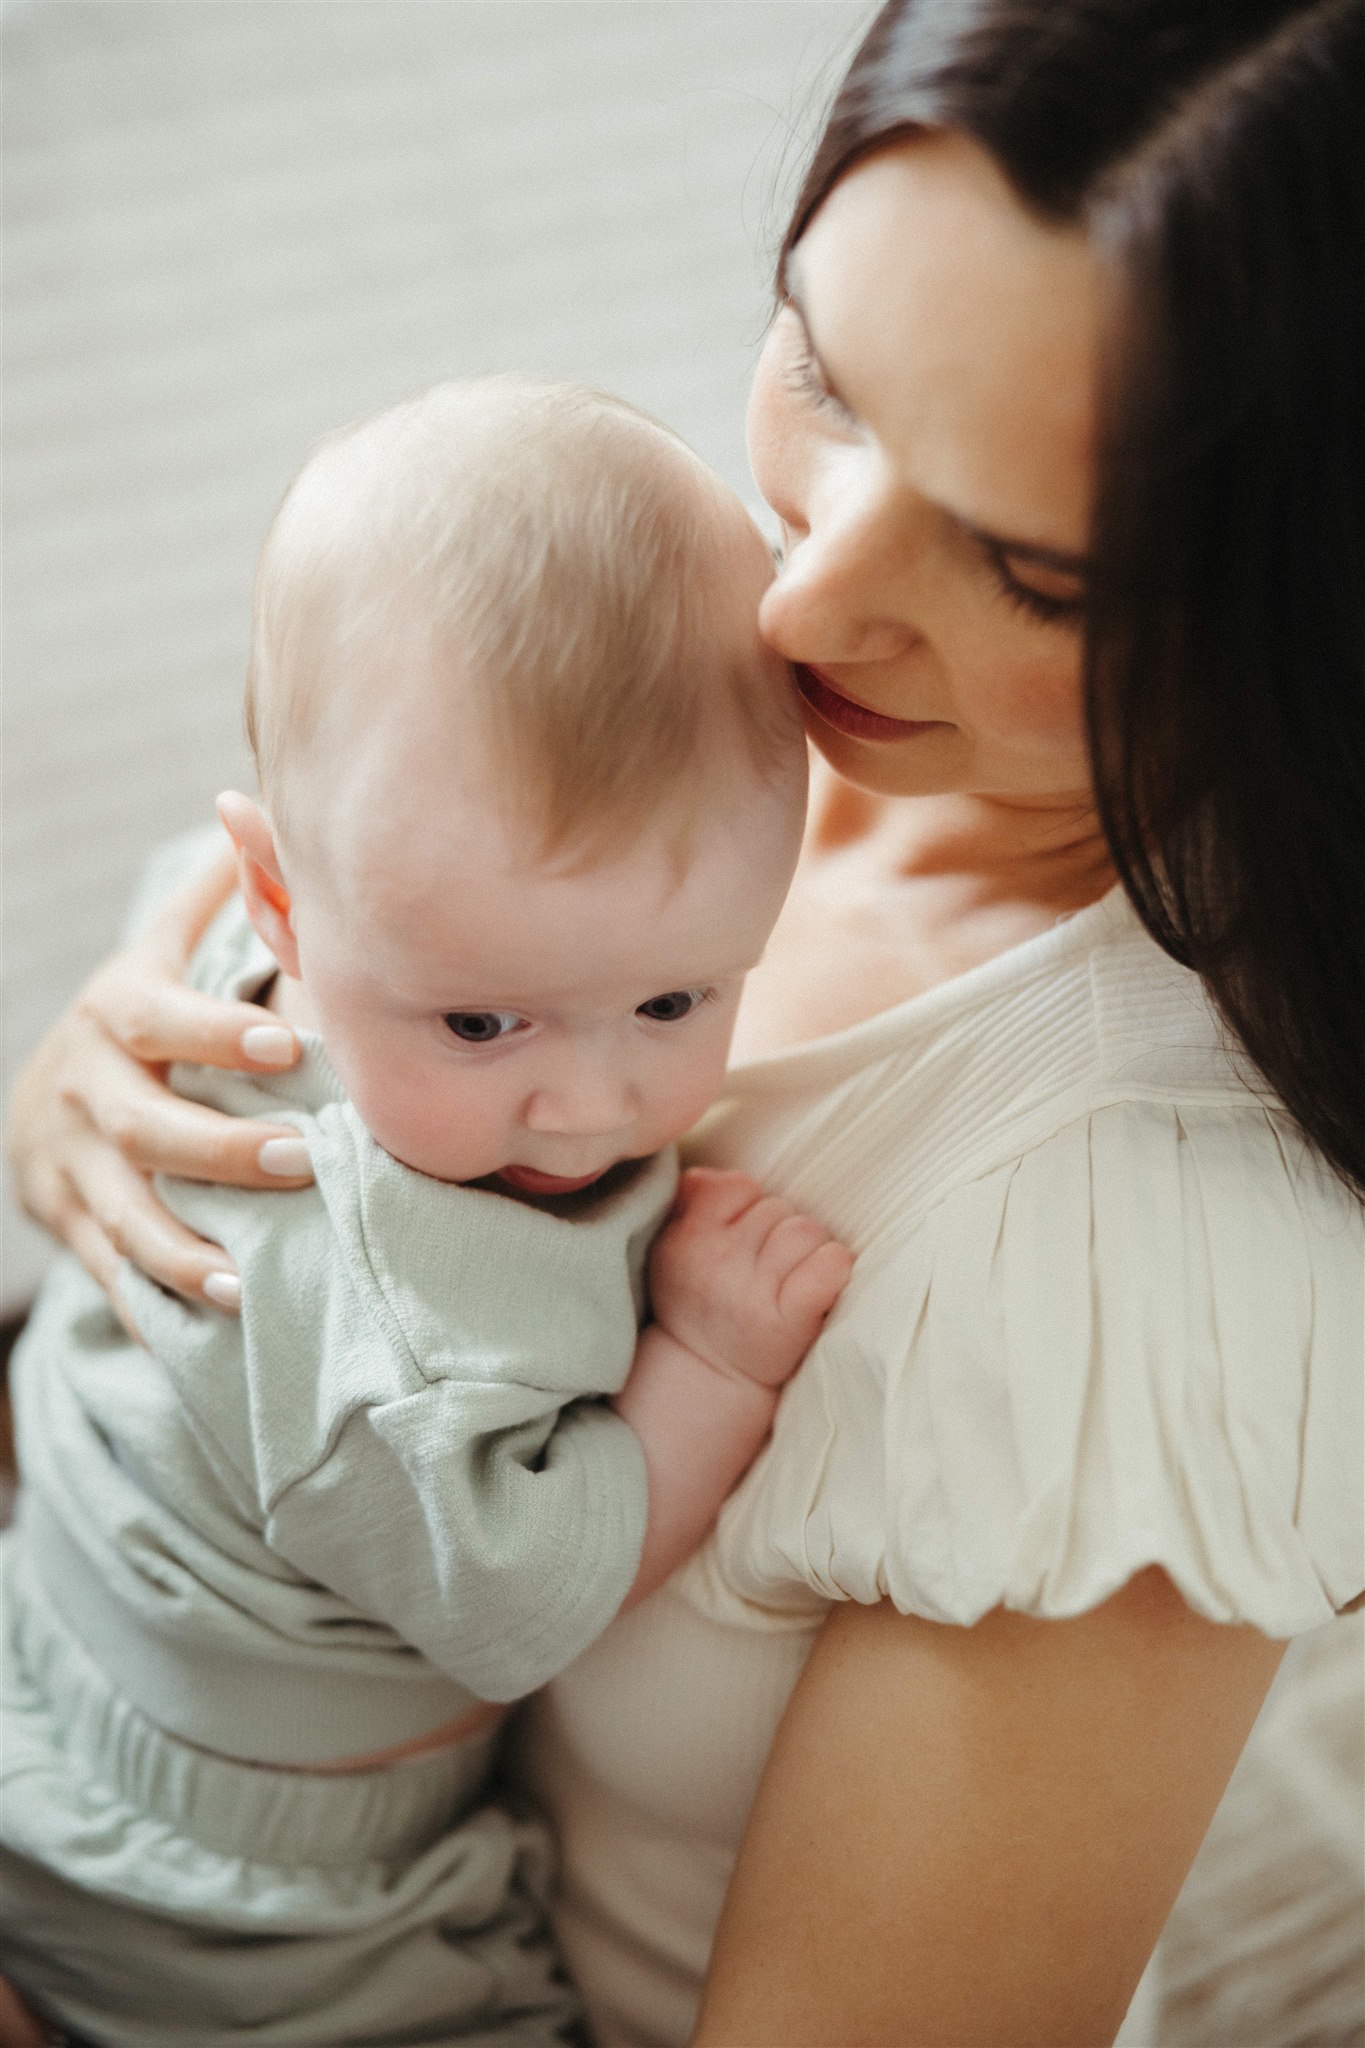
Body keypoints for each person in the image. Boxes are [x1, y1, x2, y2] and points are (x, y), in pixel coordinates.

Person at [6, 2, 1363, 2042]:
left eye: (1024, 568)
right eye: (823, 364)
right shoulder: (661, 674)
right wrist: (87, 1094)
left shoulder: (1139, 1265)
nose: (802, 604)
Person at [0, 378, 853, 2046]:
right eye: (480, 1023)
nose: (589, 1104)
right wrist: (712, 1370)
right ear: (282, 904)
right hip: (244, 1885)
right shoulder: (388, 1304)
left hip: (60, 1638)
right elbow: (513, 1597)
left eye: (677, 1002)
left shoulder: (236, 920)